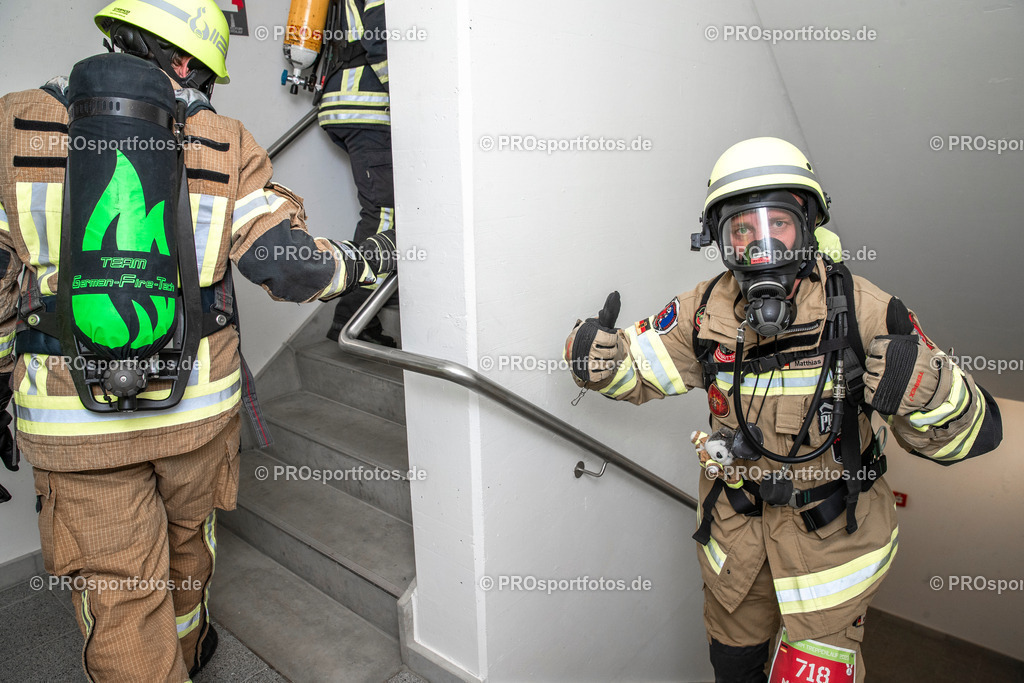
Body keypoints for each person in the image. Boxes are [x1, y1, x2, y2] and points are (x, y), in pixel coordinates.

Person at [0, 0, 394, 679]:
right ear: (184, 62)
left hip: (72, 424)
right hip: (196, 410)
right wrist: (377, 257)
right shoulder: (221, 138)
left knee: (122, 599)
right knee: (190, 543)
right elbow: (291, 267)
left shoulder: (15, 127)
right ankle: (191, 643)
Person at [564, 137, 1002, 682]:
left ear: (809, 226)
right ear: (720, 241)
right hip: (736, 559)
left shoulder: (866, 311)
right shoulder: (704, 310)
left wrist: (929, 393)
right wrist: (599, 359)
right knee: (733, 670)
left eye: (779, 226)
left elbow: (977, 433)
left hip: (830, 567)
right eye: (742, 231)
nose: (761, 247)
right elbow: (637, 366)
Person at [317, 0, 398, 344]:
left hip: (344, 102)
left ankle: (366, 318)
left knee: (380, 212)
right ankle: (350, 321)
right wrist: (410, 95)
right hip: (367, 105)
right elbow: (379, 32)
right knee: (384, 216)